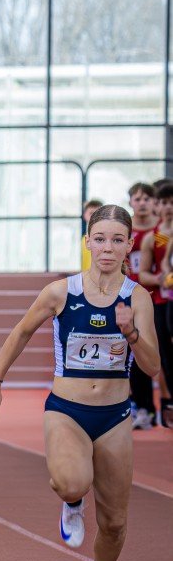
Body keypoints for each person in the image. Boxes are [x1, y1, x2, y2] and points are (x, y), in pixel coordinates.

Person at [0, 204, 161, 561]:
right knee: (71, 481)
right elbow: (21, 331)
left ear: (129, 245)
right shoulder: (61, 292)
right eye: (100, 239)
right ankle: (72, 503)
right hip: (67, 410)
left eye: (118, 240)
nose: (108, 248)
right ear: (87, 243)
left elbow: (153, 367)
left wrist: (130, 332)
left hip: (115, 416)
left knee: (115, 523)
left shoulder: (137, 298)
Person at [124, 183, 159, 427]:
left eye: (147, 198)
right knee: (131, 351)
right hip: (129, 296)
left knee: (152, 351)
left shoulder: (160, 232)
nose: (143, 202)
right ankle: (138, 405)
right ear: (131, 203)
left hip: (156, 296)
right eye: (138, 198)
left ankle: (155, 406)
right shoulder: (127, 231)